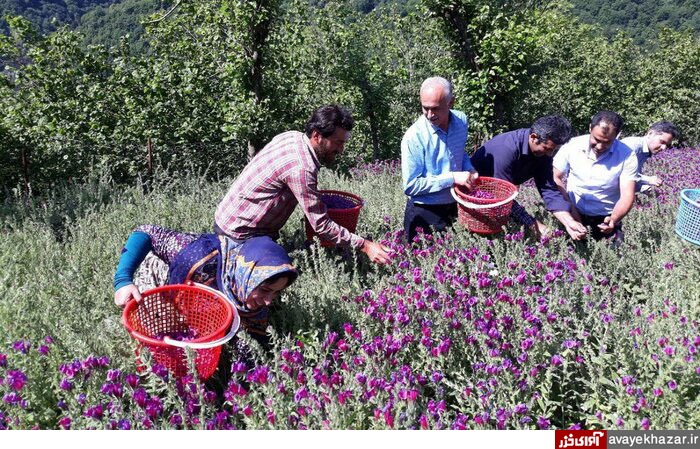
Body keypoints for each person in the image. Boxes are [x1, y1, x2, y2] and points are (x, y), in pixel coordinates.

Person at [214, 105, 391, 264]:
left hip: (228, 216)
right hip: (240, 235)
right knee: (263, 287)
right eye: (338, 143)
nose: (341, 150)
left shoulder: (292, 136)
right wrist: (365, 245)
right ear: (317, 136)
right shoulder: (302, 167)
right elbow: (321, 226)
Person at [114, 225, 298, 344]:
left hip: (211, 292)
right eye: (265, 290)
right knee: (164, 333)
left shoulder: (252, 291)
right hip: (164, 280)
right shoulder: (196, 255)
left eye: (275, 293)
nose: (268, 301)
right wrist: (123, 281)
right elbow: (146, 231)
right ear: (244, 276)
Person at [470, 115, 587, 240]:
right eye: (547, 149)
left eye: (553, 150)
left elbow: (548, 189)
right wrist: (534, 225)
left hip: (497, 194)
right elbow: (503, 199)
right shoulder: (506, 150)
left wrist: (569, 222)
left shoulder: (543, 153)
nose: (549, 154)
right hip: (474, 196)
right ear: (533, 137)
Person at [401, 76, 478, 242]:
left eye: (435, 109)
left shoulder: (461, 121)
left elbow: (460, 152)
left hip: (455, 205)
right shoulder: (414, 137)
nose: (429, 115)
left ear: (451, 103)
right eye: (425, 108)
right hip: (425, 213)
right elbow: (411, 186)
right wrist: (453, 177)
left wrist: (469, 168)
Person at [552, 111, 638, 242]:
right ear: (590, 128)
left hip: (605, 218)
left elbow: (627, 195)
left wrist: (614, 219)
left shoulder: (626, 155)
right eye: (596, 140)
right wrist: (570, 210)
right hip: (573, 211)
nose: (600, 146)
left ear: (617, 136)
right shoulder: (572, 146)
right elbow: (555, 177)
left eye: (607, 142)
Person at [621, 121, 679, 193]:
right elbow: (619, 174)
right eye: (662, 142)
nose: (664, 147)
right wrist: (649, 180)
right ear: (650, 133)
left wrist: (647, 190)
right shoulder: (632, 147)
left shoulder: (646, 151)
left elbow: (630, 181)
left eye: (667, 145)